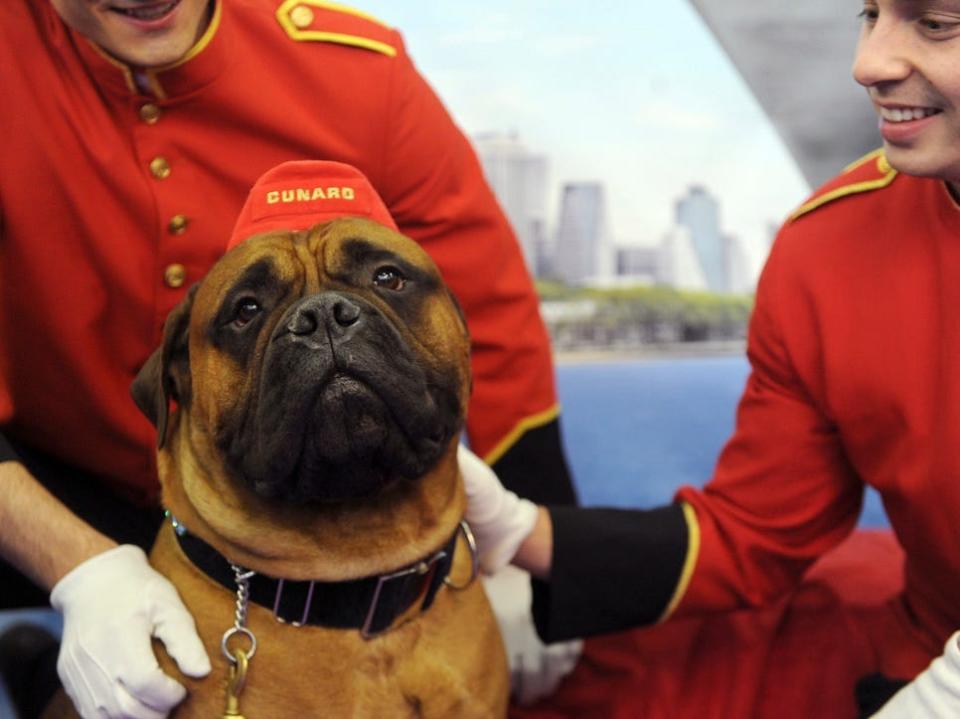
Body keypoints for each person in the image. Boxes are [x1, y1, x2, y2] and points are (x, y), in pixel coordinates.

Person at [0, 1, 579, 717]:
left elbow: (487, 310)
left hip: (304, 494)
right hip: (40, 481)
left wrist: (528, 553)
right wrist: (77, 567)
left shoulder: (363, 72)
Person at [461, 1, 960, 717]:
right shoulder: (829, 247)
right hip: (921, 650)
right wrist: (517, 530)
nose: (868, 64)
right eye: (869, 13)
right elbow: (757, 531)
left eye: (935, 23)